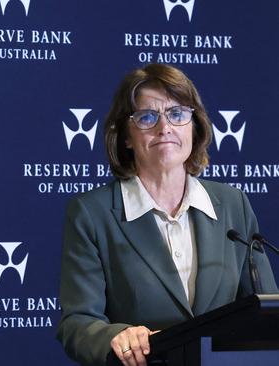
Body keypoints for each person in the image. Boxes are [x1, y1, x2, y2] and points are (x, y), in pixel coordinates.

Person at [56, 63, 278, 366]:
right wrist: (117, 336)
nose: (165, 128)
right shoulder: (92, 213)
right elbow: (77, 323)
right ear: (125, 137)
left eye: (177, 114)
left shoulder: (233, 204)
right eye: (147, 117)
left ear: (194, 126)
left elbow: (266, 312)